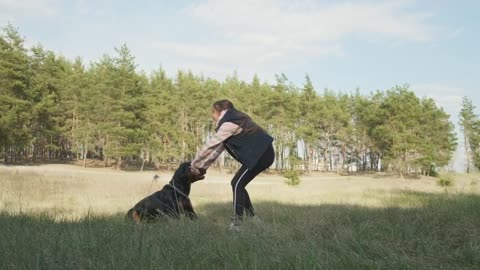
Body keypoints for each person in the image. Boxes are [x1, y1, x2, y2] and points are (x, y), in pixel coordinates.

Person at [191, 99, 275, 230]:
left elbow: (210, 145)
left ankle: (236, 223)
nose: (212, 116)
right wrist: (202, 167)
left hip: (262, 155)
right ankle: (253, 218)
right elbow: (217, 150)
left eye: (213, 112)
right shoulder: (234, 120)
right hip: (261, 154)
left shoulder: (229, 123)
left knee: (237, 184)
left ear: (220, 112)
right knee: (238, 183)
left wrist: (193, 163)